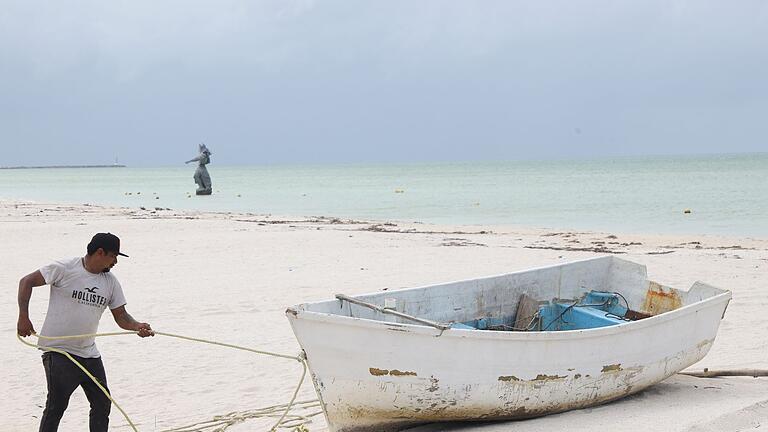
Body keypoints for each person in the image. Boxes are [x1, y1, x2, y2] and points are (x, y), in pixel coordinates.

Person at [17, 232, 154, 432]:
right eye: (114, 255)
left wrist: (137, 326)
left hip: (89, 353)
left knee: (102, 403)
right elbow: (26, 281)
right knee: (57, 406)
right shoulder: (64, 268)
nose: (116, 261)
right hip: (59, 352)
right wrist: (23, 316)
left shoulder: (110, 282)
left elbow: (121, 315)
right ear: (100, 252)